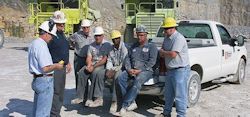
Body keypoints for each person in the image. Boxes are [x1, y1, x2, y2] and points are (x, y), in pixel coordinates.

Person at [116, 25, 158, 116]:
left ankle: (124, 106)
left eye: (142, 35)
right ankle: (132, 102)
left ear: (146, 35)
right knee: (120, 78)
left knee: (137, 81)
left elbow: (152, 62)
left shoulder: (152, 47)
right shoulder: (133, 46)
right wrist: (129, 69)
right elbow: (127, 59)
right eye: (138, 35)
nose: (139, 37)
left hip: (146, 71)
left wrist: (140, 70)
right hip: (132, 69)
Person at [28, 21, 64, 117]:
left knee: (37, 111)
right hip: (45, 80)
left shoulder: (34, 43)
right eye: (51, 35)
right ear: (47, 33)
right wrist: (56, 66)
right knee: (43, 113)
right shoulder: (42, 45)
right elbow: (45, 68)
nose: (52, 38)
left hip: (37, 79)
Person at [157, 17, 190, 117]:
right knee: (168, 94)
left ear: (172, 28)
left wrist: (163, 52)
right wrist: (163, 52)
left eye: (166, 29)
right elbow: (163, 49)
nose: (164, 31)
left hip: (180, 70)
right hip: (170, 70)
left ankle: (181, 115)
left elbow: (173, 54)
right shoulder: (167, 38)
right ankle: (166, 113)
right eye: (164, 29)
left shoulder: (178, 38)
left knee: (180, 95)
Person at [72, 26, 112, 107]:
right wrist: (89, 65)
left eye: (99, 35)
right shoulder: (91, 46)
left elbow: (104, 59)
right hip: (93, 63)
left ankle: (95, 98)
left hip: (101, 64)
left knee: (96, 73)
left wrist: (93, 67)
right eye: (96, 36)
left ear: (103, 36)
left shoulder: (107, 45)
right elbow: (89, 57)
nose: (97, 37)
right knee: (81, 72)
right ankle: (80, 97)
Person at [48, 11, 72, 117]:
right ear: (54, 23)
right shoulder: (51, 36)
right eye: (59, 24)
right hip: (55, 67)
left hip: (62, 66)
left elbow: (64, 49)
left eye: (63, 23)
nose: (62, 25)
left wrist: (68, 62)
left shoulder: (62, 34)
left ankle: (56, 112)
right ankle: (53, 114)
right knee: (56, 92)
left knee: (61, 91)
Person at [68, 19, 94, 94]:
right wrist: (73, 47)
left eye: (87, 27)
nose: (86, 29)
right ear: (82, 28)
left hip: (90, 58)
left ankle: (90, 95)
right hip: (79, 58)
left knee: (91, 76)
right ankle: (80, 96)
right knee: (79, 76)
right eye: (84, 27)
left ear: (89, 27)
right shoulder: (76, 35)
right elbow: (69, 40)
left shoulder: (93, 35)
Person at [106, 30, 128, 113]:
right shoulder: (111, 48)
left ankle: (114, 101)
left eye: (117, 39)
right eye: (113, 39)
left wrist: (114, 70)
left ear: (120, 38)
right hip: (115, 68)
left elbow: (124, 63)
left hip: (123, 68)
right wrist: (109, 69)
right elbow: (109, 60)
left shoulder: (124, 48)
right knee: (104, 74)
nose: (115, 41)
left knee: (116, 77)